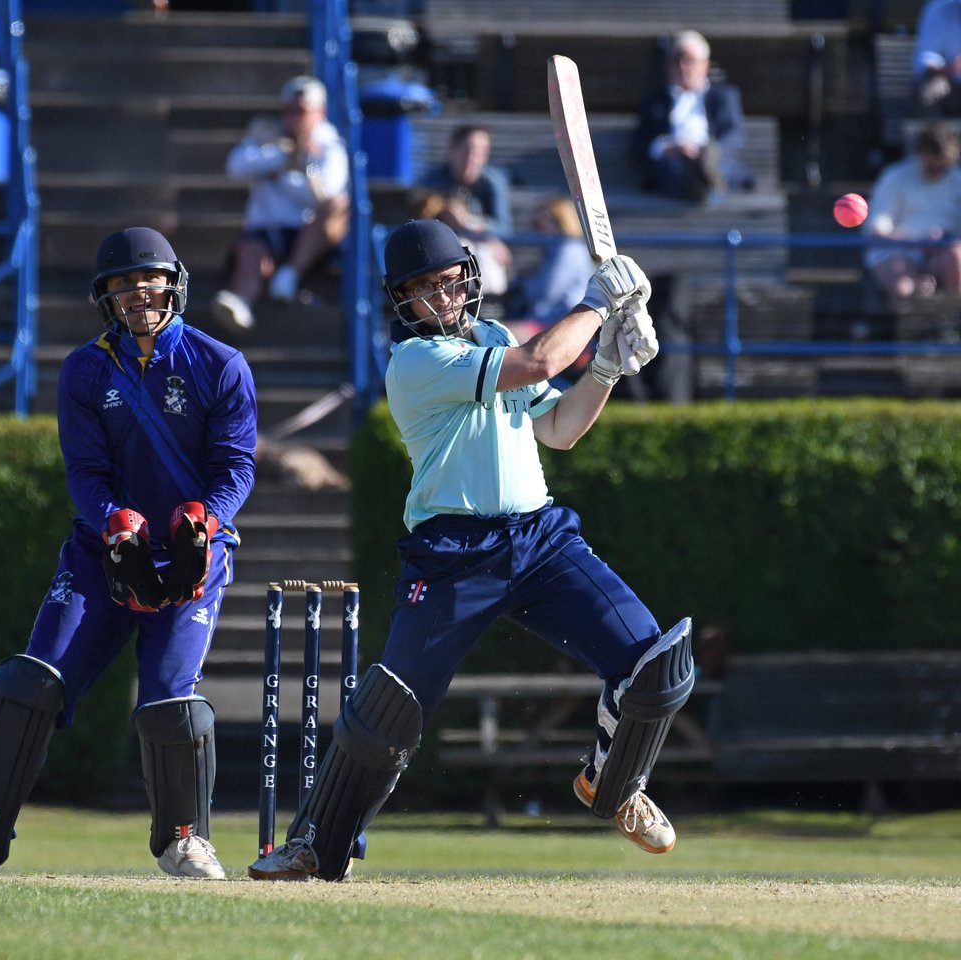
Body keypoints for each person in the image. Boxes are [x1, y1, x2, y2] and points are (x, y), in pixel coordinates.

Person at [249, 218, 695, 883]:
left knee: (654, 664)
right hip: (453, 554)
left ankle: (615, 782)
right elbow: (543, 361)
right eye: (426, 288)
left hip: (540, 540)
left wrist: (606, 365)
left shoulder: (493, 337)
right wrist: (598, 305)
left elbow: (560, 428)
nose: (443, 297)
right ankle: (317, 843)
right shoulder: (416, 362)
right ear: (402, 299)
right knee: (388, 713)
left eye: (452, 282)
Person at [0, 227, 258, 880]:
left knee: (168, 699)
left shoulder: (222, 365)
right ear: (105, 299)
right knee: (31, 680)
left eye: (149, 280)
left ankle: (184, 841)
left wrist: (207, 522)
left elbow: (236, 468)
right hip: (102, 553)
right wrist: (114, 525)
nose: (139, 295)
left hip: (191, 556)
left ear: (175, 283)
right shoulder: (85, 369)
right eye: (122, 286)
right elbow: (85, 472)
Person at [211, 75, 350, 331]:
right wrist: (283, 158)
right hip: (266, 232)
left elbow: (325, 195)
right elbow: (236, 166)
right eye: (289, 111)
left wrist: (289, 172)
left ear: (319, 112)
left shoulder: (330, 147)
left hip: (308, 236)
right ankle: (241, 302)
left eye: (302, 112)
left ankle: (290, 275)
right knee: (251, 252)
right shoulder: (269, 138)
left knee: (339, 207)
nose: (294, 118)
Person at [633, 30, 753, 203]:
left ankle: (704, 175)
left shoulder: (724, 96)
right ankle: (702, 183)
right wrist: (667, 147)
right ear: (669, 65)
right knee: (674, 168)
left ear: (705, 65)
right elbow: (640, 142)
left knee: (714, 160)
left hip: (716, 161)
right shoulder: (655, 101)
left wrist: (707, 152)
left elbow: (733, 134)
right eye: (677, 60)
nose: (683, 66)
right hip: (674, 165)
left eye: (689, 60)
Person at [416, 124, 515, 300]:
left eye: (481, 152)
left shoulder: (491, 182)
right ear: (452, 150)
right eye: (468, 150)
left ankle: (489, 304)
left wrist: (472, 225)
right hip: (441, 256)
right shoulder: (432, 181)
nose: (473, 158)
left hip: (485, 255)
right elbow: (420, 222)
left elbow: (504, 228)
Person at [864, 122, 961, 299]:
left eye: (943, 168)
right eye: (933, 167)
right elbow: (877, 232)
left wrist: (943, 244)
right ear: (920, 155)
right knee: (904, 287)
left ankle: (952, 321)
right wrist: (919, 243)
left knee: (956, 258)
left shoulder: (958, 180)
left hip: (943, 254)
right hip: (897, 252)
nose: (938, 173)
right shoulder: (894, 178)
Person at [503, 196, 597, 374]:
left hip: (558, 326)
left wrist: (526, 279)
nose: (536, 233)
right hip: (547, 322)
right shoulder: (557, 251)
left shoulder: (569, 249)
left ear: (558, 222)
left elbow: (545, 293)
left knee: (500, 334)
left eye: (539, 226)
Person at [914, 0, 961, 117]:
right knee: (933, 88)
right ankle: (934, 132)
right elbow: (928, 60)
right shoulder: (938, 11)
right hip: (946, 83)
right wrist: (951, 69)